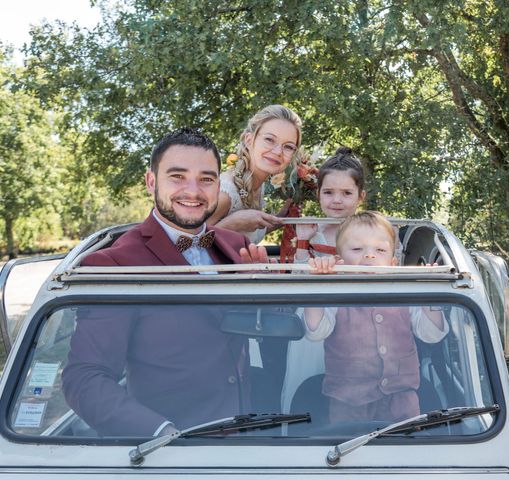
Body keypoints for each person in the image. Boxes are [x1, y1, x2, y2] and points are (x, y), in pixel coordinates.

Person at [62, 128, 269, 437]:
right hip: (168, 451)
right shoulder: (114, 263)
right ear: (151, 182)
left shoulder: (235, 243)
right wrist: (161, 434)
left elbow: (260, 328)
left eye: (206, 179)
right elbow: (84, 377)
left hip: (245, 433)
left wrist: (263, 293)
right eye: (177, 176)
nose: (193, 191)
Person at [303, 211, 449, 423]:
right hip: (347, 404)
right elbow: (316, 331)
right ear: (340, 262)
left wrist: (430, 292)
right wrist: (316, 286)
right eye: (357, 249)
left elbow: (432, 334)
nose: (369, 255)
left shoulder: (405, 295)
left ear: (392, 263)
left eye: (379, 249)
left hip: (402, 403)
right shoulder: (335, 295)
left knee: (404, 451)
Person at [209, 105, 303, 243]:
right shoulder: (225, 195)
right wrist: (231, 224)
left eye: (288, 147)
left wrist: (281, 218)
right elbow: (186, 248)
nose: (278, 152)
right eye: (269, 140)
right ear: (248, 140)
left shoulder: (259, 186)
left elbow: (248, 233)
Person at [294, 146, 365, 262]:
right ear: (318, 195)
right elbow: (298, 276)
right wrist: (303, 240)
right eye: (328, 192)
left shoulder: (372, 231)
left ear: (360, 197)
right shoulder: (312, 232)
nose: (336, 200)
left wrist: (395, 240)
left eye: (347, 193)